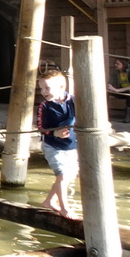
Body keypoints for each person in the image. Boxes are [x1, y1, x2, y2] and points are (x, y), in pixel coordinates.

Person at [36, 69, 78, 218]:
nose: (43, 91)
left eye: (47, 88)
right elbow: (41, 127)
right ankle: (64, 208)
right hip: (53, 145)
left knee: (69, 175)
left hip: (71, 145)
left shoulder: (73, 101)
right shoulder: (45, 106)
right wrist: (55, 133)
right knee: (63, 174)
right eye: (41, 88)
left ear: (61, 87)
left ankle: (49, 201)